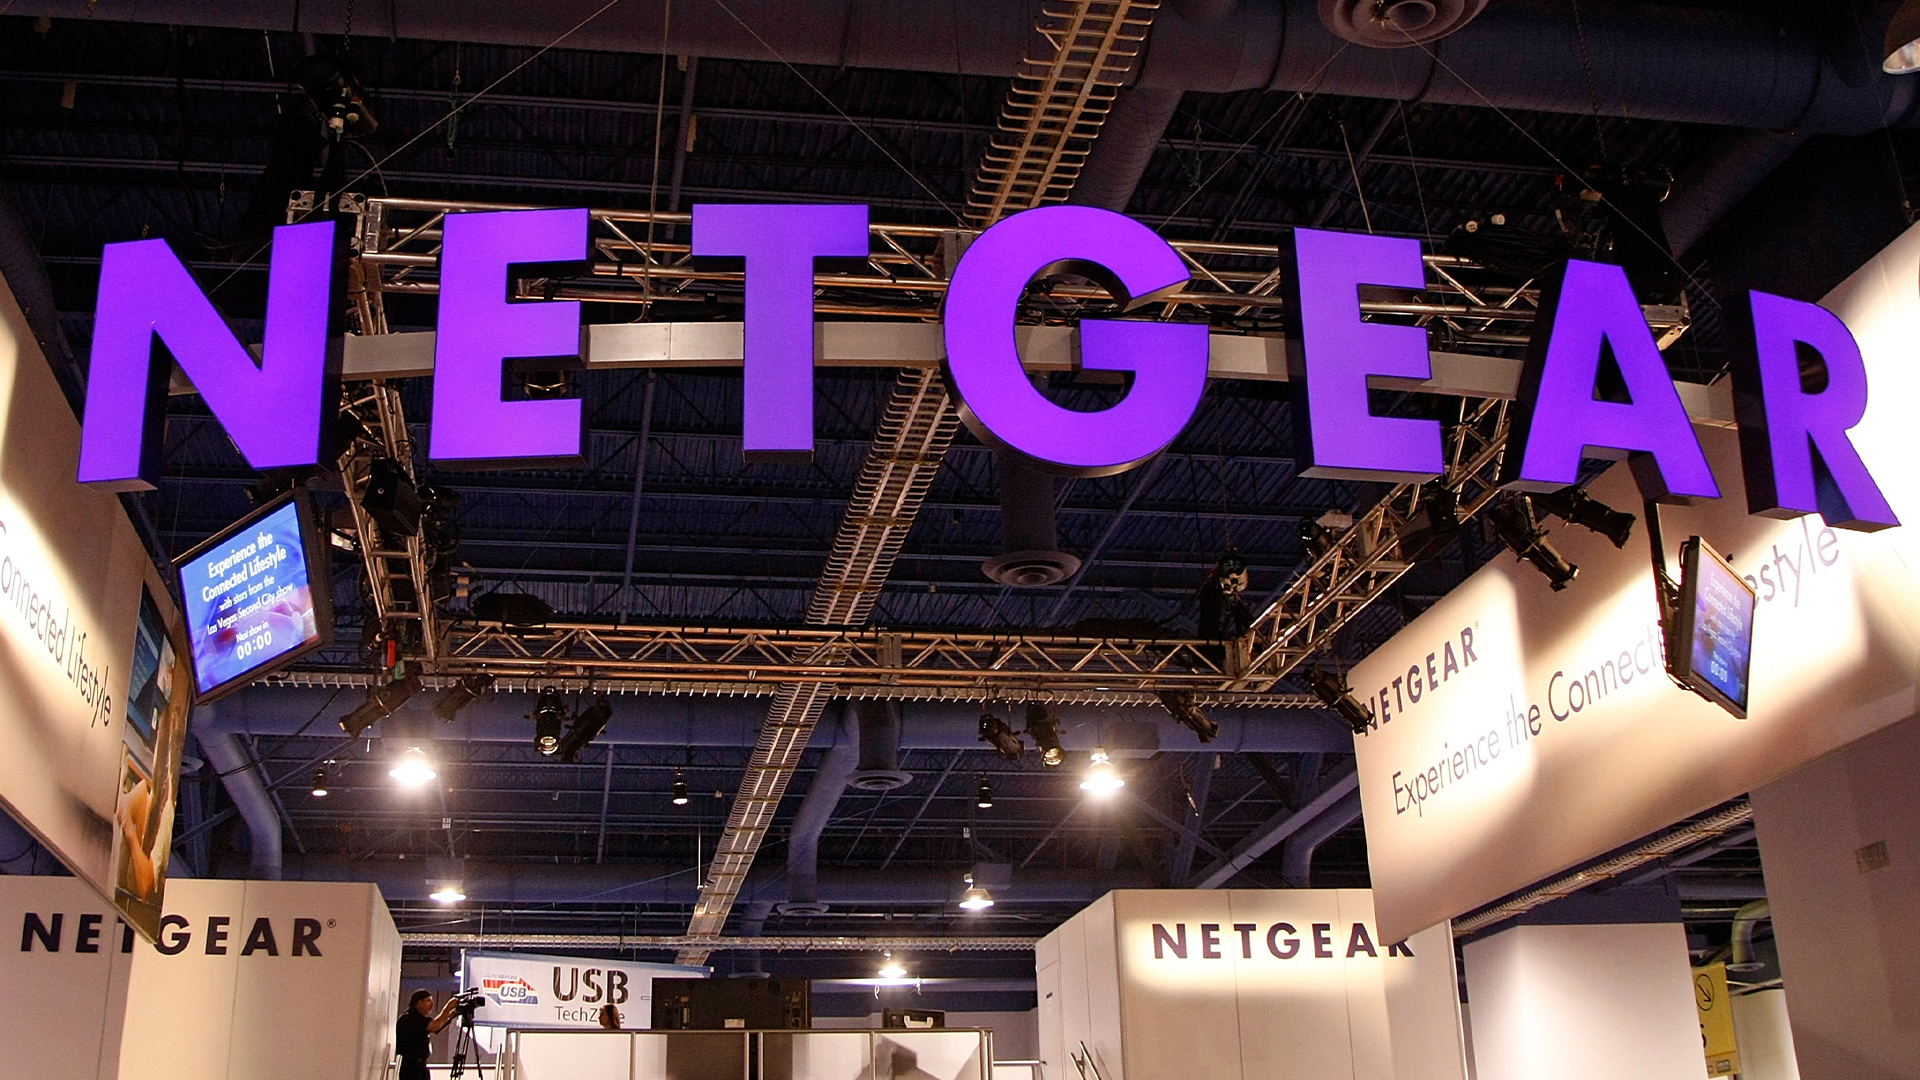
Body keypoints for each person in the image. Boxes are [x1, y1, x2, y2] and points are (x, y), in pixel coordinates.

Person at [396, 989, 460, 1080]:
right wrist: (449, 1006)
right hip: (411, 1070)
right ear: (419, 1002)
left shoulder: (415, 1018)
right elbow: (435, 1025)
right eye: (428, 1001)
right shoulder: (410, 1018)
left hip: (419, 1068)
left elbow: (437, 1025)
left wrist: (452, 1014)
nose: (432, 1005)